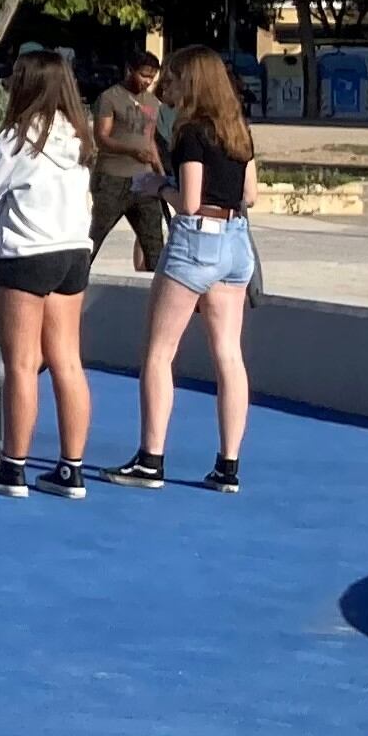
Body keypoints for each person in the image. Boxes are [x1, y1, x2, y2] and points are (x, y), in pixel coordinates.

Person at [105, 45, 254, 494]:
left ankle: (151, 459)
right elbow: (250, 195)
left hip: (196, 242)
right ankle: (228, 465)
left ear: (189, 82)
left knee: (159, 351)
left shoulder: (192, 133)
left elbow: (188, 202)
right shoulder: (240, 131)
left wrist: (156, 185)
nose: (165, 84)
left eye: (172, 77)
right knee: (228, 353)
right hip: (236, 243)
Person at [0, 50, 96, 498]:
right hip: (74, 252)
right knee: (67, 358)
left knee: (21, 363)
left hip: (25, 254)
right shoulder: (80, 137)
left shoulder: (16, 139)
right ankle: (71, 469)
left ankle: (13, 467)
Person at [88, 51, 170, 274]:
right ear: (130, 70)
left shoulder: (153, 102)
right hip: (112, 179)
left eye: (151, 77)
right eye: (143, 75)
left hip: (144, 180)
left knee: (154, 243)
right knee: (93, 236)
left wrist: (161, 174)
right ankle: (73, 282)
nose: (147, 82)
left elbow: (149, 139)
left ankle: (157, 290)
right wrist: (131, 150)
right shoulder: (109, 98)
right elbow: (102, 138)